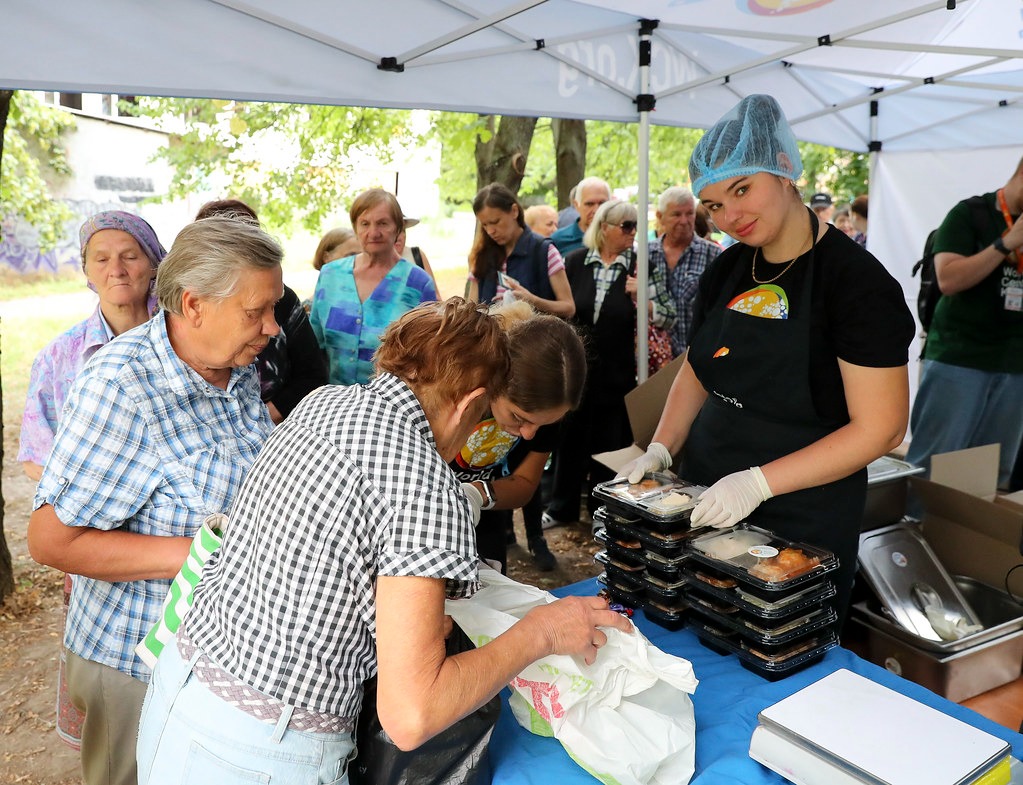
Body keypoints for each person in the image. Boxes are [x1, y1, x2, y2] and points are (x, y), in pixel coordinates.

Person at [135, 298, 632, 785]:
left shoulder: (322, 403)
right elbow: (412, 714)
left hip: (179, 690)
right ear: (467, 403)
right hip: (263, 748)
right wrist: (542, 632)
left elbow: (323, 561)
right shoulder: (427, 486)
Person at [622, 94, 914, 623]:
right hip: (707, 496)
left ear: (785, 170)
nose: (730, 216)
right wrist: (663, 447)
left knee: (777, 645)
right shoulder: (726, 270)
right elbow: (699, 368)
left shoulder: (856, 285)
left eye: (741, 190)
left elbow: (883, 427)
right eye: (713, 205)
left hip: (803, 517)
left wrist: (756, 483)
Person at [27, 216, 284, 785]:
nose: (272, 326)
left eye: (274, 308)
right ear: (194, 305)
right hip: (132, 660)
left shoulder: (232, 363)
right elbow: (49, 539)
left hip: (205, 653)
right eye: (257, 311)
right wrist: (200, 554)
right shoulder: (121, 386)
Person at [18, 210, 167, 753]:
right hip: (95, 540)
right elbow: (36, 456)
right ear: (85, 271)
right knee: (114, 682)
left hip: (175, 544)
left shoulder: (185, 341)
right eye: (101, 258)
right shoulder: (61, 356)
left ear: (154, 263)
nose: (116, 269)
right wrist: (104, 494)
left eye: (130, 255)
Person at [545, 199, 673, 526]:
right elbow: (562, 310)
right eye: (626, 226)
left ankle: (602, 511)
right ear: (604, 228)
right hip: (576, 371)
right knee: (570, 439)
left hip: (619, 373)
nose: (633, 233)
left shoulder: (641, 266)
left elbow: (668, 315)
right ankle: (561, 508)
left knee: (609, 444)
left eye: (636, 226)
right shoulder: (575, 262)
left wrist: (643, 300)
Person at [907, 156, 1023, 490]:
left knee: (992, 474)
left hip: (1015, 365)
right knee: (934, 465)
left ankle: (972, 526)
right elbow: (948, 279)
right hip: (959, 359)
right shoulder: (971, 214)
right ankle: (917, 523)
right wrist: (1006, 242)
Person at [453, 301, 585, 573]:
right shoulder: (456, 391)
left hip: (487, 511)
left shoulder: (548, 407)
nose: (528, 434)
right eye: (518, 417)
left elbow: (525, 483)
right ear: (493, 382)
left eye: (542, 424)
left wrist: (477, 494)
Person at [195, 199, 326, 422]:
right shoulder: (184, 317)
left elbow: (312, 375)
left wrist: (263, 419)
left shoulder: (283, 298)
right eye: (253, 312)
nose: (272, 328)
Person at [309, 188, 438, 385]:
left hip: (390, 401)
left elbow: (429, 356)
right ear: (355, 228)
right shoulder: (330, 275)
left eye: (383, 223)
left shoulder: (418, 284)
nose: (373, 233)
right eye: (365, 223)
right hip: (334, 398)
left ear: (398, 228)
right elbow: (313, 346)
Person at [467, 183, 575, 318]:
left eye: (495, 222)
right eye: (484, 225)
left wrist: (533, 301)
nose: (490, 231)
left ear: (514, 211)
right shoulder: (482, 255)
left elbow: (569, 308)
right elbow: (471, 309)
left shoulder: (544, 251)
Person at [649, 186, 723, 358]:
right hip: (655, 360)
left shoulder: (713, 254)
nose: (684, 220)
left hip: (699, 357)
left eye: (689, 213)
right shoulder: (645, 255)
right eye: (676, 214)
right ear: (660, 216)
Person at [550, 177, 611, 255]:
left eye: (602, 203)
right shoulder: (558, 240)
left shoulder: (619, 237)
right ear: (576, 205)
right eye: (589, 204)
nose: (596, 210)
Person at [396, 215, 439, 292]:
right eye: (394, 231)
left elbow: (435, 294)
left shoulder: (417, 254)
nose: (398, 237)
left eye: (402, 230)